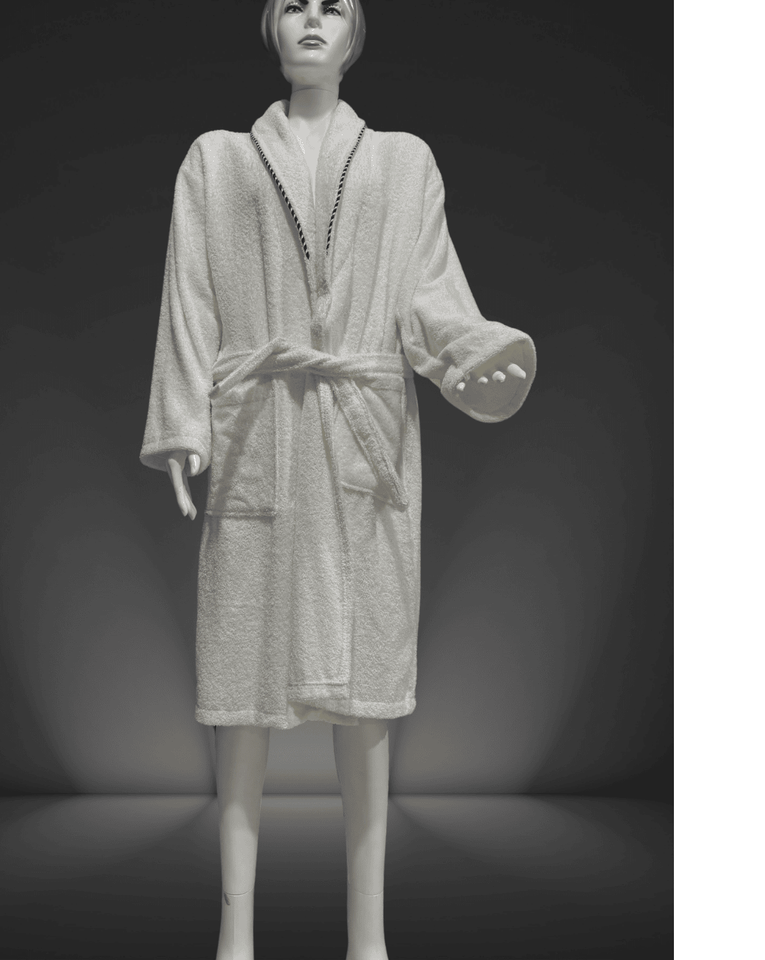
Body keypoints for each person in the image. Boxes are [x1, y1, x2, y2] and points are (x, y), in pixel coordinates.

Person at [140, 2, 536, 957]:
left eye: (333, 6)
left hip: (365, 444)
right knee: (243, 691)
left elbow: (432, 298)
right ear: (268, 27)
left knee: (367, 700)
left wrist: (474, 355)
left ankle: (370, 939)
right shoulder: (217, 161)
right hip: (258, 436)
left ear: (356, 34)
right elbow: (189, 297)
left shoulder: (404, 162)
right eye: (293, 5)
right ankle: (235, 933)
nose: (312, 20)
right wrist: (184, 426)